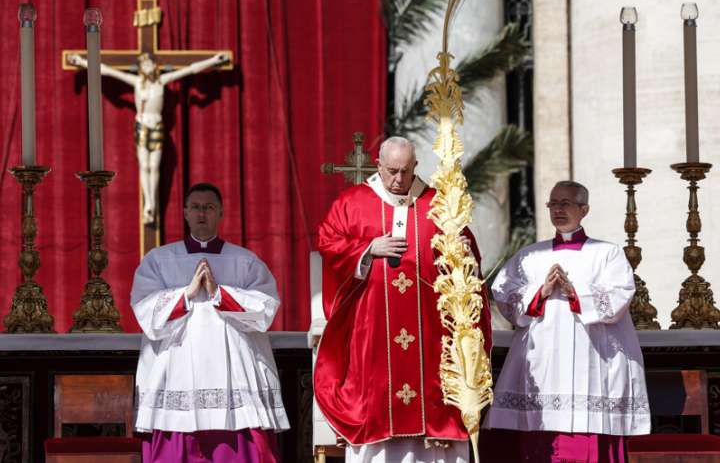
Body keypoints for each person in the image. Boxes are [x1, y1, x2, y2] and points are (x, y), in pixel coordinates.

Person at [314, 136, 493, 463]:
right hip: (374, 332)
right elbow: (329, 244)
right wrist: (368, 249)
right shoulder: (352, 203)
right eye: (392, 171)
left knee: (434, 404)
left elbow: (467, 265)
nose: (398, 180)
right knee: (377, 403)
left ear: (416, 168)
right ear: (378, 166)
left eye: (405, 171)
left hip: (430, 334)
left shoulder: (439, 207)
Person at [480, 180, 650, 462]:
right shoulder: (531, 255)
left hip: (592, 358)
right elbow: (504, 294)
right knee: (541, 436)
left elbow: (619, 297)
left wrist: (575, 292)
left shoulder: (607, 253)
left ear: (584, 209)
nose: (558, 210)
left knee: (588, 433)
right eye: (553, 204)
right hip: (542, 362)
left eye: (565, 203)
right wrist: (541, 292)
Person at [131, 182, 288, 462]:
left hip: (236, 368)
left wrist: (219, 293)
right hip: (176, 368)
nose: (202, 213)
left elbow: (266, 308)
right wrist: (187, 294)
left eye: (209, 207)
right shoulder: (159, 260)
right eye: (195, 207)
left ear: (221, 213)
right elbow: (145, 310)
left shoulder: (245, 261)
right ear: (185, 213)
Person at [67, 52, 228, 224]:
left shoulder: (162, 81)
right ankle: (149, 204)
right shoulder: (136, 82)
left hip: (157, 127)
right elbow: (107, 71)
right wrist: (82, 62)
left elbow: (190, 70)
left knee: (154, 166)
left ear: (154, 66)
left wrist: (213, 61)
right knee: (144, 165)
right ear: (141, 69)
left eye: (150, 64)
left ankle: (152, 202)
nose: (147, 67)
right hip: (142, 126)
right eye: (144, 65)